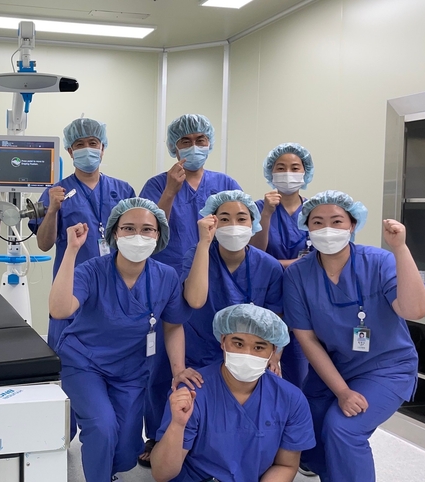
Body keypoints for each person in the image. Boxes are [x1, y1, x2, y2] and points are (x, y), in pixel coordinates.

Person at [283, 190, 425, 482]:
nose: (327, 229)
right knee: (305, 424)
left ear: (352, 225)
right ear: (306, 227)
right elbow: (307, 338)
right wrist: (341, 391)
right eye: (318, 222)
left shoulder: (379, 262)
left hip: (386, 368)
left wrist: (400, 249)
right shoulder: (298, 274)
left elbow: (414, 310)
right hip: (336, 367)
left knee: (343, 428)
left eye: (337, 221)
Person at [49, 198, 194, 482]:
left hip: (131, 369)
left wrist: (178, 370)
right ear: (115, 233)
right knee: (102, 427)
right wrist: (71, 250)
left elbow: (173, 326)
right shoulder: (92, 270)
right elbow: (59, 310)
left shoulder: (166, 276)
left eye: (147, 229)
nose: (138, 235)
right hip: (84, 362)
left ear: (159, 235)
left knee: (127, 448)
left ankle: (108, 470)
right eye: (128, 228)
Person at [138, 114, 241, 466]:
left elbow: (240, 221)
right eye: (186, 141)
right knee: (160, 363)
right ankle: (157, 434)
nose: (194, 147)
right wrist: (170, 190)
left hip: (212, 275)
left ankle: (208, 434)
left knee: (212, 353)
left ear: (209, 143)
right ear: (174, 147)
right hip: (166, 278)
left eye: (201, 140)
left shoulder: (225, 183)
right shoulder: (158, 183)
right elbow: (150, 227)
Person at [29, 118, 135, 440]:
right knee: (66, 362)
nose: (87, 149)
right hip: (71, 289)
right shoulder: (56, 193)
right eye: (80, 145)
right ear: (70, 151)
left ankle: (105, 434)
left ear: (103, 148)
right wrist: (52, 210)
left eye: (93, 143)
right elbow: (44, 243)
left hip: (112, 289)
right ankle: (61, 437)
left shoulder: (123, 191)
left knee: (110, 362)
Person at [151, 304, 315, 482]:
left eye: (259, 348)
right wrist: (177, 425)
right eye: (238, 344)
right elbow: (162, 474)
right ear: (223, 341)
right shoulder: (192, 392)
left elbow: (285, 465)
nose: (246, 354)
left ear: (273, 351)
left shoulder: (290, 399)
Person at [181, 190, 284, 370]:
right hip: (201, 355)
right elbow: (195, 301)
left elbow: (276, 317)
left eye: (241, 219)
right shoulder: (197, 255)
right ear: (213, 222)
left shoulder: (269, 266)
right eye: (224, 219)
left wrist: (274, 356)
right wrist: (204, 243)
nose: (233, 226)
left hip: (249, 356)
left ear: (253, 223)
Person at [249, 143, 314, 392]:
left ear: (305, 172)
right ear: (271, 172)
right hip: (266, 293)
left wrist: (276, 264)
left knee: (299, 367)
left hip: (303, 295)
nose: (288, 173)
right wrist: (266, 213)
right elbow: (255, 253)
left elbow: (321, 258)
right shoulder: (257, 208)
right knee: (260, 365)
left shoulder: (315, 210)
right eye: (281, 167)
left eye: (295, 168)